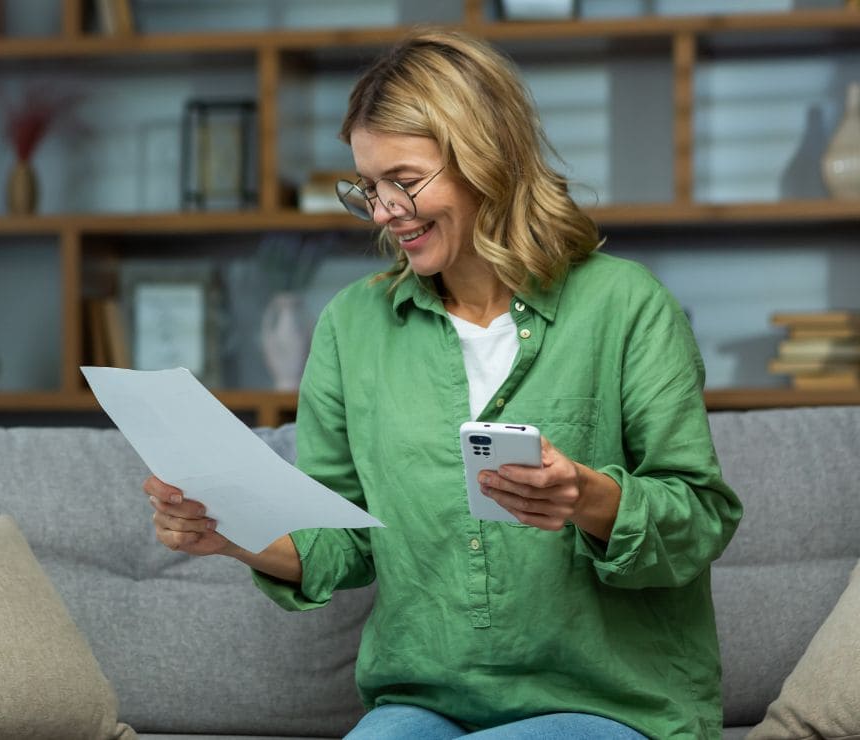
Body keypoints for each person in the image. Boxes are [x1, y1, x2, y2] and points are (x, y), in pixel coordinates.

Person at [144, 28, 742, 740]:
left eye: (405, 180)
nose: (384, 211)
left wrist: (586, 496)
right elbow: (343, 541)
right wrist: (232, 533)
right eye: (368, 187)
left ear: (486, 157)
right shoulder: (352, 326)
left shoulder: (626, 306)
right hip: (424, 702)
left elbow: (700, 518)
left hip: (611, 702)